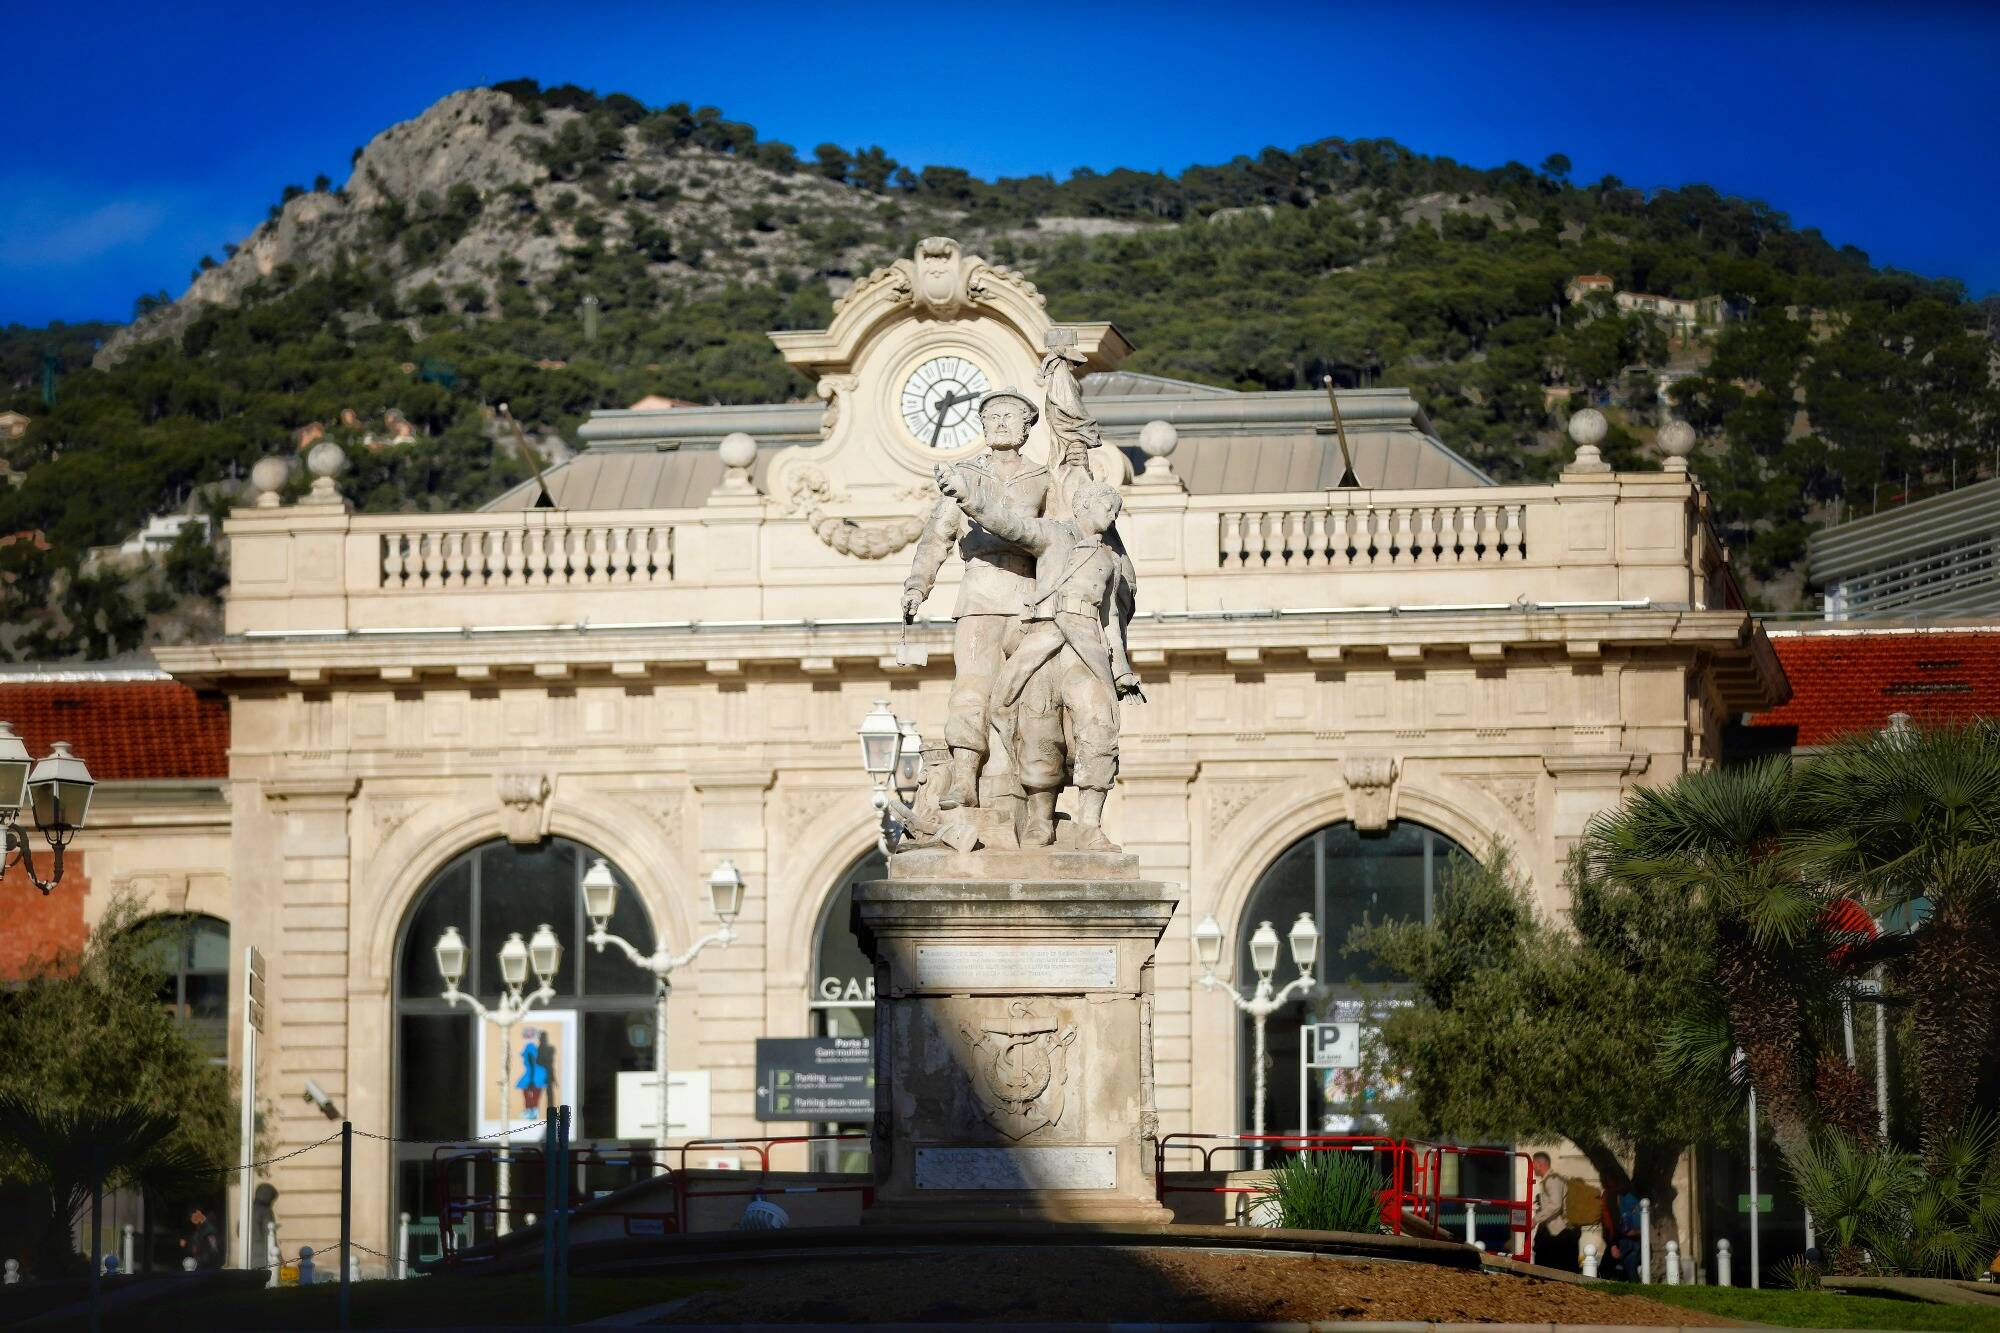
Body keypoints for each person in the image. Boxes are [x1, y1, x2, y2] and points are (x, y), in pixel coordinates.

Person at [937, 463, 1141, 849]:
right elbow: (1007, 523)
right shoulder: (1053, 535)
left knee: (1099, 728)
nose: (1111, 515)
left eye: (1115, 510)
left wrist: (1122, 672)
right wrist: (966, 495)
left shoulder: (1110, 561)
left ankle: (1089, 826)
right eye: (1105, 506)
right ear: (1082, 505)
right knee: (1039, 728)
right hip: (1044, 639)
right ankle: (1040, 819)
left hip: (1088, 650)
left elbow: (1111, 619)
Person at [902, 388, 1052, 811]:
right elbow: (937, 536)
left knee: (1027, 697)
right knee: (971, 690)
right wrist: (918, 584)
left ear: (1027, 426)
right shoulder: (963, 477)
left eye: (1011, 415)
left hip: (1030, 597)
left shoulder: (1044, 478)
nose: (1002, 422)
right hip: (980, 595)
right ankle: (964, 778)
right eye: (993, 416)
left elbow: (1061, 539)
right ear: (982, 426)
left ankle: (1021, 787)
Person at [1529, 1152, 1579, 1272]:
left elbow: (1556, 1205)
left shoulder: (1553, 1180)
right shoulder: (1549, 1180)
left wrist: (1536, 1219)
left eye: (1533, 1164)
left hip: (1561, 1232)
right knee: (1544, 1261)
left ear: (1540, 1164)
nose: (1533, 1168)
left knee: (1558, 1268)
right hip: (1555, 1231)